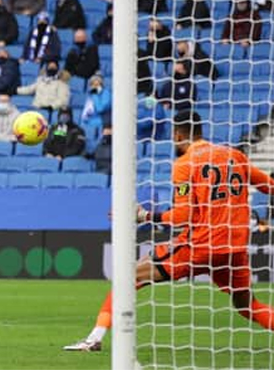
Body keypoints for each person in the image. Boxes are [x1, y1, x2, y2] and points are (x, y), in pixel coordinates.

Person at [66, 111, 274, 352]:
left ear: (178, 134)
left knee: (129, 276)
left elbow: (181, 216)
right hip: (235, 249)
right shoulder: (235, 156)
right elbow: (269, 187)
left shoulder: (185, 164)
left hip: (200, 245)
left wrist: (144, 216)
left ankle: (94, 338)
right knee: (247, 306)